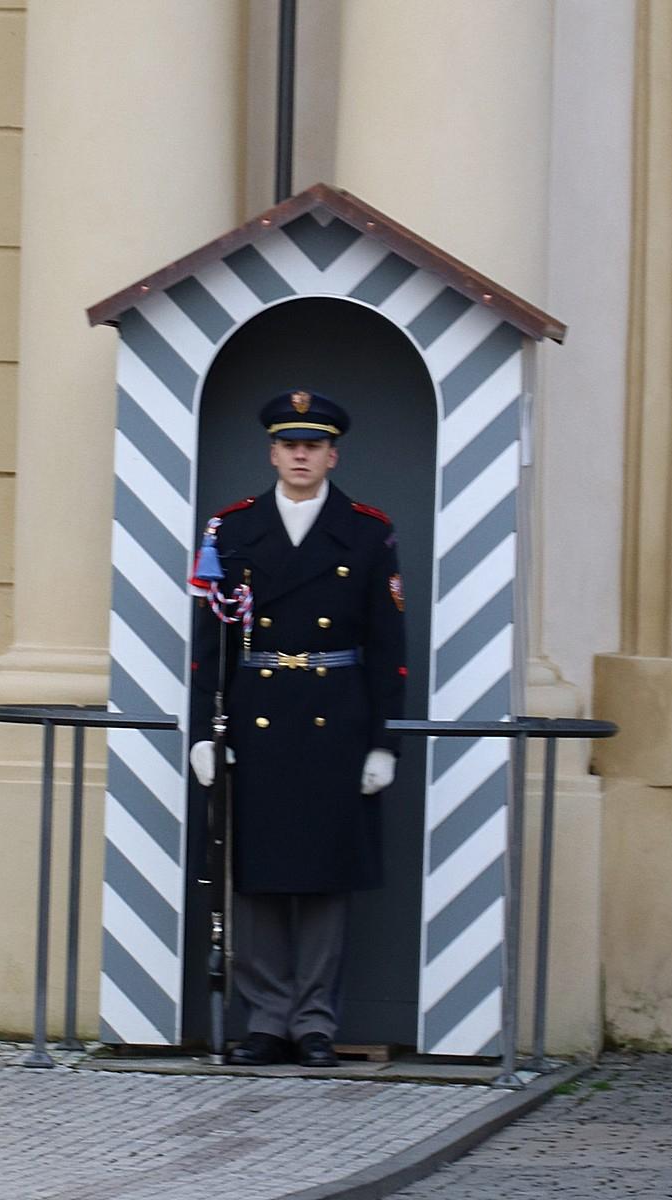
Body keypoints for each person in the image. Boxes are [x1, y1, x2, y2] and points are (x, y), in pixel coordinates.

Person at [188, 389, 406, 1067]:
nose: (301, 455)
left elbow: (389, 647)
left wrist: (384, 743)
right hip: (256, 717)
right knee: (254, 875)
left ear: (333, 454)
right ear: (272, 453)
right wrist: (205, 733)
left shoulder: (367, 532)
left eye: (313, 445)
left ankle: (313, 1023)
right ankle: (266, 1021)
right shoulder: (232, 530)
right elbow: (210, 646)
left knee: (323, 877)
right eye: (290, 445)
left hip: (335, 719)